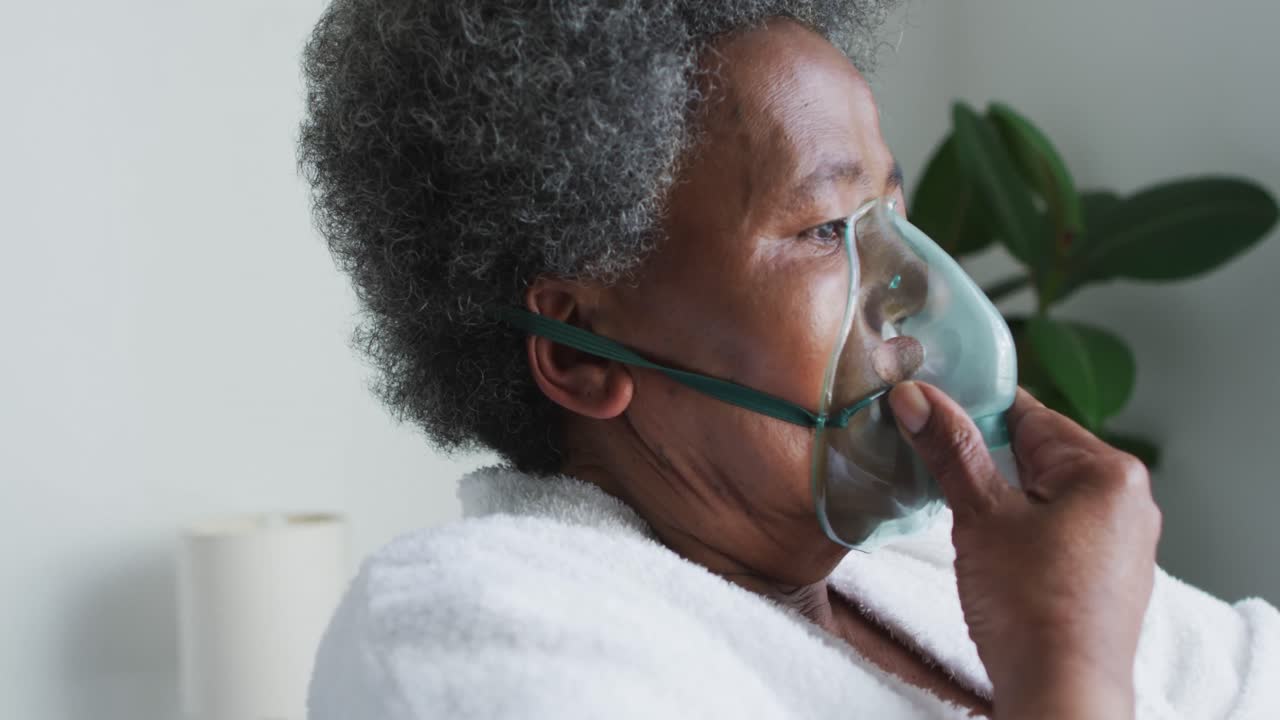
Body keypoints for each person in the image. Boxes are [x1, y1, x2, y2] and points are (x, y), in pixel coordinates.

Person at [298, 2, 1279, 718]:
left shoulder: (940, 559)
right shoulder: (473, 620)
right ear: (576, 353)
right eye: (822, 228)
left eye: (889, 210)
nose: (913, 278)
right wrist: (1070, 671)